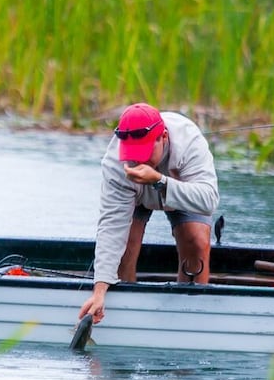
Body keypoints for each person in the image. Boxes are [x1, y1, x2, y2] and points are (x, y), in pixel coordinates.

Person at [78, 103, 220, 324]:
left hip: (180, 188)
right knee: (125, 247)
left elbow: (209, 200)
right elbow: (111, 229)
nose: (138, 161)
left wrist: (159, 181)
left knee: (196, 242)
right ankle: (127, 316)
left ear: (163, 138)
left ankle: (191, 316)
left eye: (143, 153)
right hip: (135, 194)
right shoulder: (115, 162)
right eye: (133, 154)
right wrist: (99, 291)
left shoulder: (190, 141)